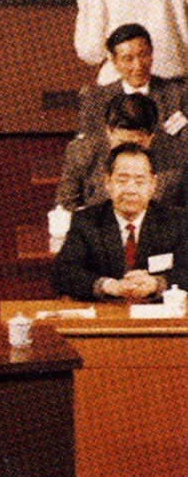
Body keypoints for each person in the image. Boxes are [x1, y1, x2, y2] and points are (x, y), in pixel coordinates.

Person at [51, 143, 187, 301]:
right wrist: (108, 286)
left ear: (153, 184)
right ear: (107, 182)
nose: (130, 190)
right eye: (122, 181)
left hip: (157, 311)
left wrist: (156, 283)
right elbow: (62, 272)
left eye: (139, 182)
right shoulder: (86, 221)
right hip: (107, 311)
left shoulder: (176, 221)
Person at [56, 94, 184, 212]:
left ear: (151, 136)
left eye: (138, 144)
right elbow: (67, 204)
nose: (129, 150)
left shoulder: (178, 156)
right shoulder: (81, 152)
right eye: (122, 142)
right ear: (108, 132)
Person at [78, 24, 187, 139]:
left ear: (151, 54)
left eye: (143, 55)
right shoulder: (95, 101)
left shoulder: (179, 94)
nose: (138, 65)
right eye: (128, 59)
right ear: (115, 62)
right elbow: (84, 146)